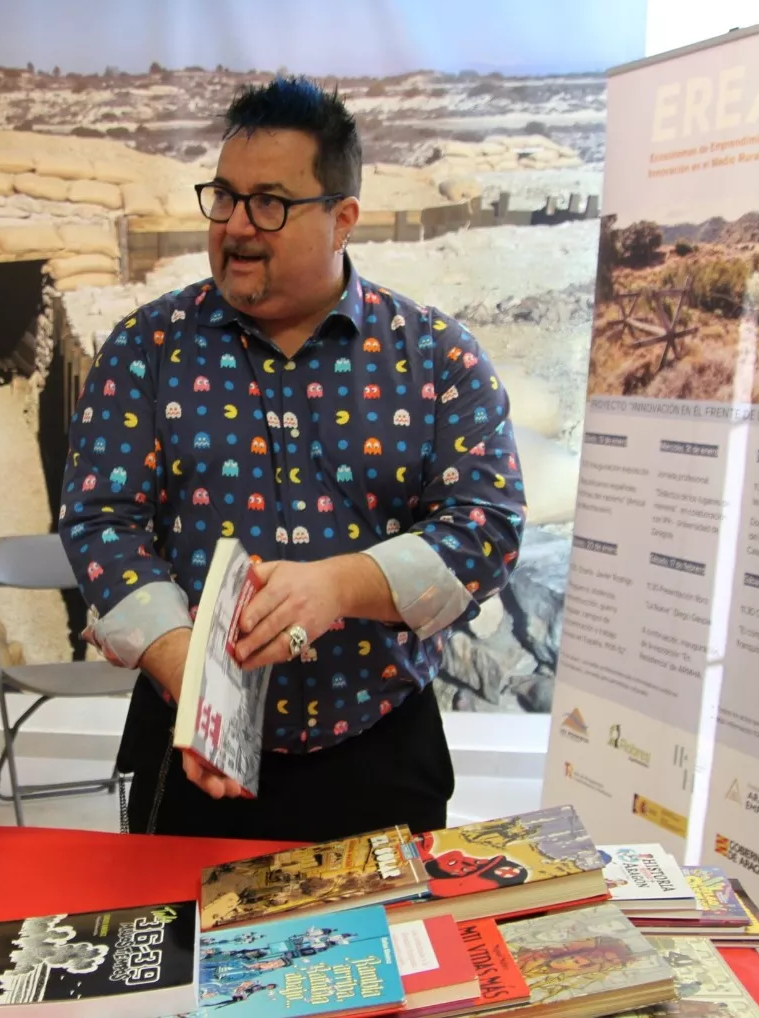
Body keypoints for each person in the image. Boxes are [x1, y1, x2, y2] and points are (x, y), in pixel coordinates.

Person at [58, 76, 526, 842]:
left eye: (270, 203)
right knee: (187, 958)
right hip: (192, 748)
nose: (237, 226)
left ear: (343, 218)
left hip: (379, 750)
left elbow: (486, 527)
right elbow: (101, 522)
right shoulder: (148, 348)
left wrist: (339, 585)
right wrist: (193, 677)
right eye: (225, 198)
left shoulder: (436, 356)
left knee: (386, 962)